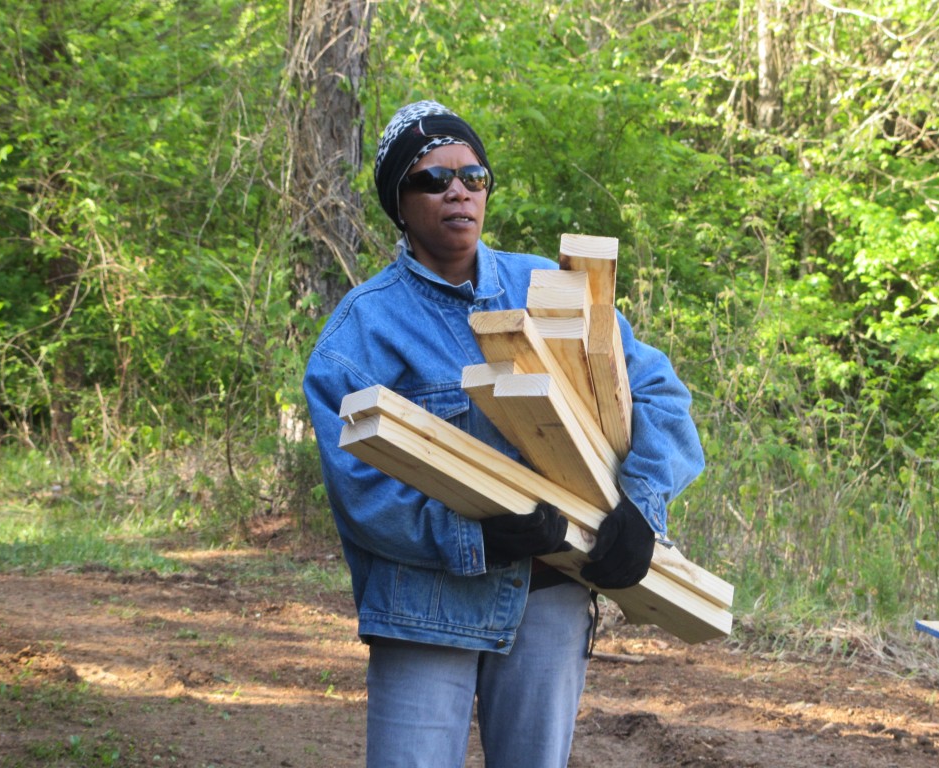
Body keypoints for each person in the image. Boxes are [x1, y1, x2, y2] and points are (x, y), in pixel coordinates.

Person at [302, 100, 704, 768]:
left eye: (473, 175)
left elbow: (659, 394)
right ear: (399, 203)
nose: (457, 189)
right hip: (426, 607)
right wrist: (475, 536)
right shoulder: (360, 336)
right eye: (432, 179)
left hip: (550, 598)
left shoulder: (549, 290)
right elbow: (362, 496)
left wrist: (639, 506)